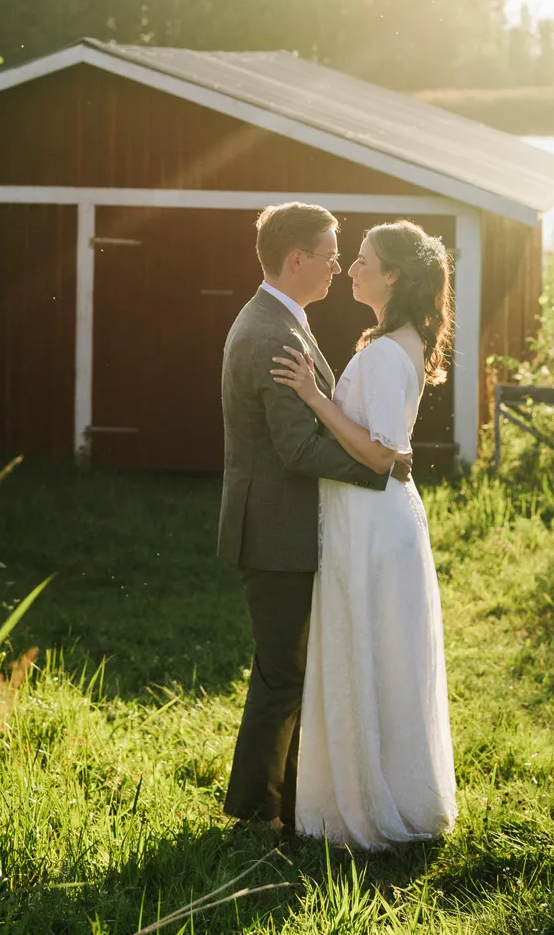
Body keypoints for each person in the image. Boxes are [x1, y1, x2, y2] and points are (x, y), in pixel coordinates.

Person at [218, 202, 413, 830]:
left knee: (294, 673)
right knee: (282, 676)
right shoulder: (272, 333)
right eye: (330, 254)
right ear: (296, 258)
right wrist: (382, 464)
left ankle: (296, 806)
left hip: (286, 528)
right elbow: (298, 449)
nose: (337, 265)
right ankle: (253, 817)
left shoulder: (282, 320)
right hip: (275, 533)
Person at [271, 219, 457, 849]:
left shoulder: (382, 352)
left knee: (369, 654)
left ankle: (366, 805)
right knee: (383, 658)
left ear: (394, 276)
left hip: (373, 522)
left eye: (363, 261)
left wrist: (312, 395)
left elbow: (381, 454)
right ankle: (391, 789)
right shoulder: (396, 340)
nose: (349, 267)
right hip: (381, 520)